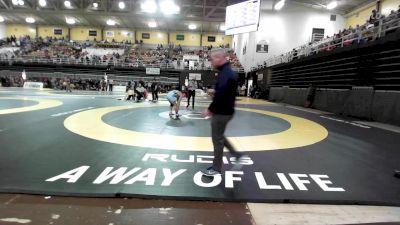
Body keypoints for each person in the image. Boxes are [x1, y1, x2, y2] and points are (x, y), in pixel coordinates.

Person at [201, 49, 243, 177]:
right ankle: (237, 156)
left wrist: (211, 109)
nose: (211, 62)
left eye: (212, 59)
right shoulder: (227, 72)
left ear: (219, 58)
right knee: (220, 136)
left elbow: (222, 94)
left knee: (217, 139)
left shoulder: (225, 73)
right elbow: (225, 91)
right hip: (227, 110)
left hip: (222, 112)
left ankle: (216, 168)